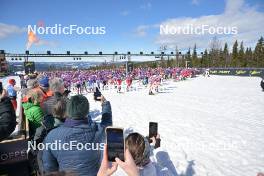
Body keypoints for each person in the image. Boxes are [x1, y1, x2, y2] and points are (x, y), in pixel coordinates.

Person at [42, 95, 112, 176]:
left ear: (67, 111)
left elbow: (49, 167)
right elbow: (107, 123)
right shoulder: (99, 131)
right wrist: (105, 103)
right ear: (87, 111)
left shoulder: (52, 136)